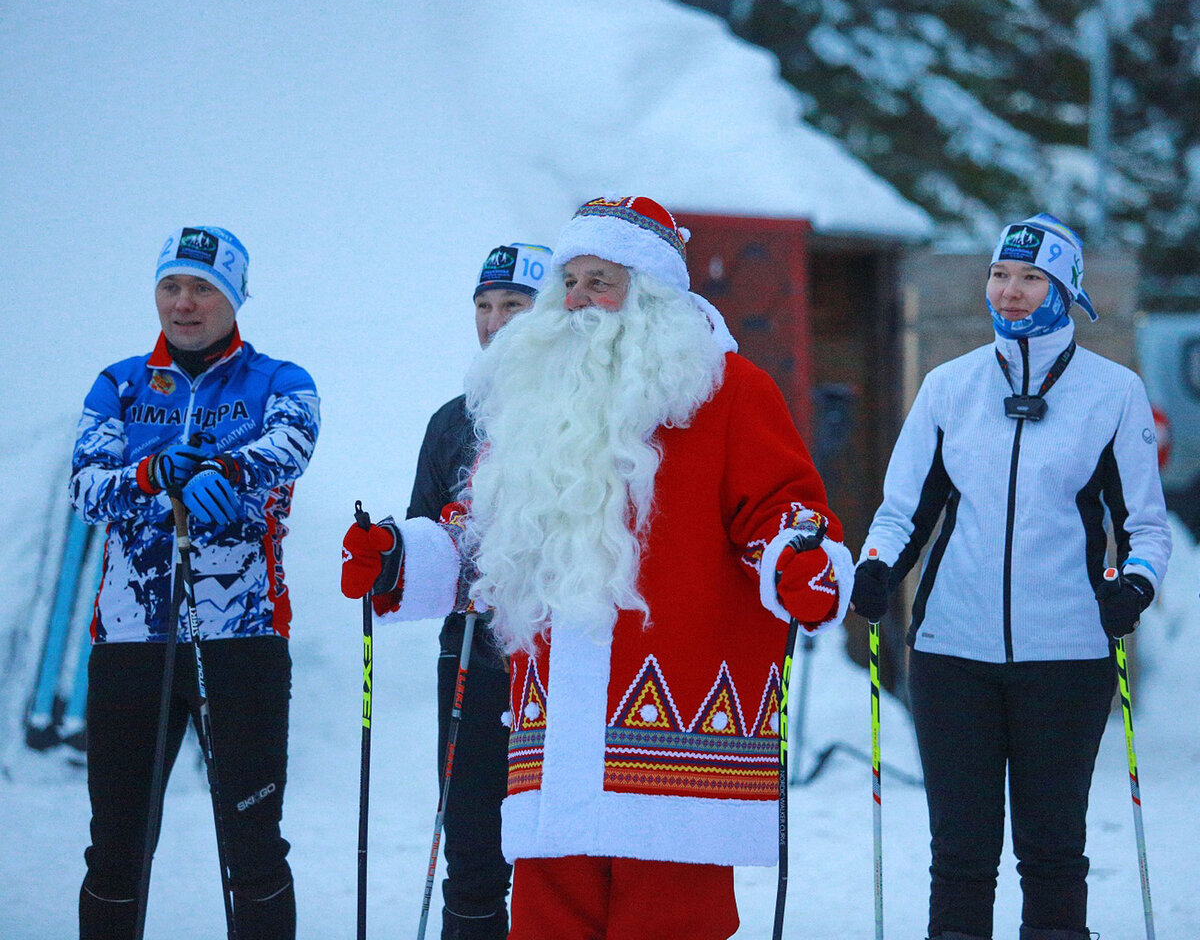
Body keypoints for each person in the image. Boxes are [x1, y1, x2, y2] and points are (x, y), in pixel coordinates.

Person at [342, 196, 854, 938]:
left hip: (675, 734)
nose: (577, 298)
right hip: (554, 734)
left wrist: (796, 562)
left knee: (670, 921)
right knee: (549, 922)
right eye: (569, 280)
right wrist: (400, 559)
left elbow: (781, 511)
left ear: (649, 294)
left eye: (600, 280)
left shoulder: (730, 390)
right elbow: (487, 540)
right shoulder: (532, 401)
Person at [851, 213, 1171, 940]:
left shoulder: (1112, 393)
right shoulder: (947, 388)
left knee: (1053, 853)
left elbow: (1146, 526)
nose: (1011, 291)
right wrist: (876, 568)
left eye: (1032, 278)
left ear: (1066, 289)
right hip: (951, 655)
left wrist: (1138, 584)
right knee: (960, 855)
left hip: (1068, 656)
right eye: (1001, 274)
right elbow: (903, 511)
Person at [71, 226, 320, 940]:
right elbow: (86, 487)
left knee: (252, 846)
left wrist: (227, 472)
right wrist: (153, 474)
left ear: (234, 297)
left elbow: (290, 446)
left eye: (203, 287)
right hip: (131, 641)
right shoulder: (118, 382)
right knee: (116, 848)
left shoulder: (279, 379)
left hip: (241, 638)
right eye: (171, 286)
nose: (184, 303)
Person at [405, 242, 549, 939]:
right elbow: (425, 548)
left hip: (558, 668)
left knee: (555, 857)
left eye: (514, 306)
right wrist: (387, 562)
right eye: (484, 307)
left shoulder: (586, 409)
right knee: (470, 856)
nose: (494, 323)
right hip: (469, 660)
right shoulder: (450, 421)